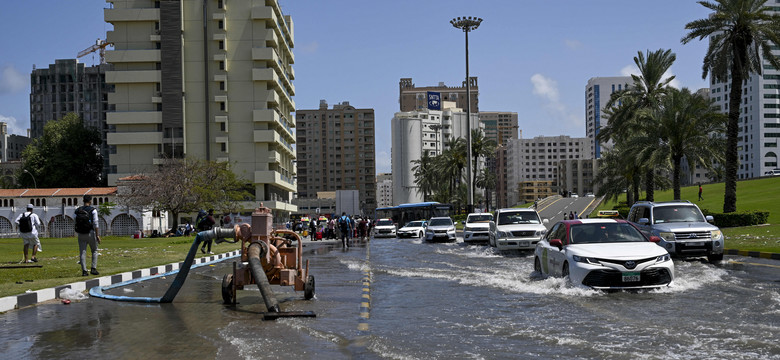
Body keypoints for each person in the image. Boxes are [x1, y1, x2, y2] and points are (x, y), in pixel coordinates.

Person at [75, 195, 101, 276]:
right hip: (90, 232)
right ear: (90, 201)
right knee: (94, 250)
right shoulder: (93, 210)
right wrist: (97, 235)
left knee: (82, 252)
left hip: (81, 233)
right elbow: (96, 223)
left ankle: (84, 271)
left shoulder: (78, 210)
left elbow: (75, 221)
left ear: (83, 200)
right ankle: (93, 268)